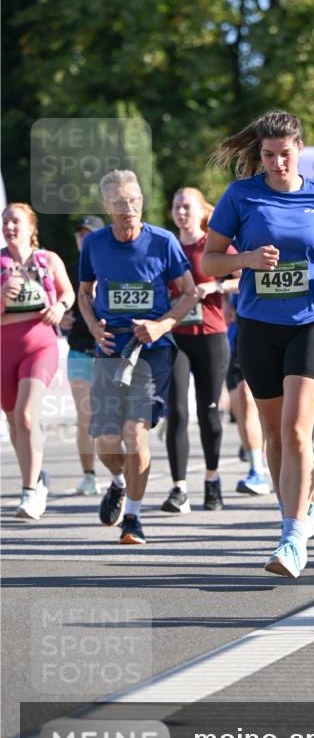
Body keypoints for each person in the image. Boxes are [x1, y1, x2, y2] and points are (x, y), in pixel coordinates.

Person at [202, 110, 314, 578]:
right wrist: (246, 258)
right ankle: (300, 505)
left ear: (300, 150)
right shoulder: (240, 195)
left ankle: (292, 538)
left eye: (285, 155)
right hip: (258, 326)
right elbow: (210, 262)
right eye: (268, 155)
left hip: (313, 321)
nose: (276, 163)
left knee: (295, 430)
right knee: (273, 436)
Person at [78, 170, 197, 545]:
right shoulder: (95, 244)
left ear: (142, 201)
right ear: (106, 206)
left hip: (152, 350)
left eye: (133, 201)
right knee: (106, 442)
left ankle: (133, 518)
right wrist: (94, 327)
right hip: (111, 348)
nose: (128, 209)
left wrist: (161, 325)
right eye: (119, 203)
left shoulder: (163, 242)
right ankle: (117, 483)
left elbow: (190, 293)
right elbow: (84, 292)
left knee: (134, 433)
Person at [161, 187, 235, 514]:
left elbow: (245, 275)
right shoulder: (166, 246)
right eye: (176, 206)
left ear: (200, 210)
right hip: (174, 335)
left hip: (210, 334)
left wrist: (216, 285)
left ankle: (212, 479)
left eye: (187, 206)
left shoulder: (212, 245)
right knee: (176, 410)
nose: (181, 212)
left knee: (209, 411)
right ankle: (179, 488)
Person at [1, 203, 74, 518]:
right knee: (14, 420)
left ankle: (30, 492)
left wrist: (60, 305)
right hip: (4, 347)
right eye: (5, 222)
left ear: (31, 226)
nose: (9, 227)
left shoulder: (49, 259)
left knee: (27, 415)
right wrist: (2, 294)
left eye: (15, 221)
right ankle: (37, 478)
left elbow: (68, 293)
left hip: (40, 345)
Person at [63, 215, 106, 495]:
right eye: (80, 235)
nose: (84, 239)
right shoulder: (70, 270)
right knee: (85, 416)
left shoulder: (114, 266)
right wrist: (62, 317)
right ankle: (89, 475)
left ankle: (121, 474)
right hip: (79, 351)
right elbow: (59, 303)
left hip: (111, 351)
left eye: (89, 234)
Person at [224, 293, 271, 495]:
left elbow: (243, 273)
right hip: (232, 335)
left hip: (265, 329)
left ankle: (258, 465)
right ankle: (255, 463)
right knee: (240, 400)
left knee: (255, 399)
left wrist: (221, 285)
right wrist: (224, 300)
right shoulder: (223, 259)